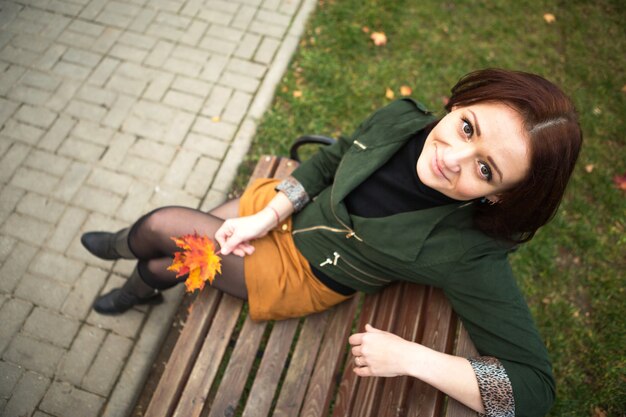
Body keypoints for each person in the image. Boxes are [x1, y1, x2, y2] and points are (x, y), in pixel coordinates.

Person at [81, 68, 582, 417]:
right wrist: (273, 212)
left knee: (162, 232)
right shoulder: (403, 120)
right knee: (174, 246)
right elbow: (331, 160)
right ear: (458, 104)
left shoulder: (468, 251)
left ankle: (134, 267)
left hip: (299, 274)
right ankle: (141, 275)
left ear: (499, 197)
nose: (454, 157)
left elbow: (533, 392)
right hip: (279, 211)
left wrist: (411, 359)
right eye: (467, 127)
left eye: (485, 169)